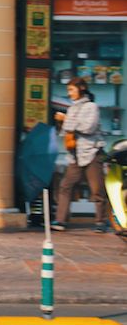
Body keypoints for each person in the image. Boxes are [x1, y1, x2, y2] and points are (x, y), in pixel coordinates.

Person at [51, 77, 108, 232]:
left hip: (92, 152)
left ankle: (101, 221)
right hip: (75, 154)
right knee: (65, 186)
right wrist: (61, 123)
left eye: (71, 90)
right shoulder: (72, 108)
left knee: (96, 189)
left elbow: (88, 127)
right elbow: (66, 131)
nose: (69, 94)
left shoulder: (91, 107)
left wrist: (67, 119)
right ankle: (61, 220)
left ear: (81, 88)